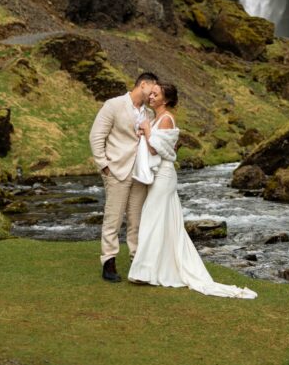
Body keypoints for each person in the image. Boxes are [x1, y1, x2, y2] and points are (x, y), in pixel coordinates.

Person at [128, 82, 257, 299]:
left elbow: (157, 149)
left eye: (155, 94)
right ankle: (155, 268)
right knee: (163, 222)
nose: (151, 96)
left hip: (164, 175)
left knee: (152, 218)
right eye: (151, 93)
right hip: (158, 175)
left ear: (165, 100)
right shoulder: (155, 118)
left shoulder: (167, 119)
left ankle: (147, 271)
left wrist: (148, 131)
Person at [89, 72, 158, 282]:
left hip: (140, 173)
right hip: (116, 170)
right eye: (152, 89)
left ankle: (136, 263)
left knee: (136, 220)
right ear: (142, 84)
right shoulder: (113, 105)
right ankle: (108, 263)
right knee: (114, 218)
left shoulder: (150, 114)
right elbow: (96, 135)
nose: (153, 94)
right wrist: (104, 166)